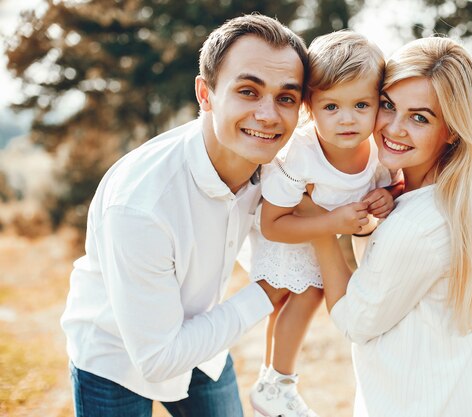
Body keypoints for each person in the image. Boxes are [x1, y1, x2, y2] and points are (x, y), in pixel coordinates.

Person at [60, 14, 308, 417]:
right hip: (117, 358)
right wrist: (265, 293)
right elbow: (156, 357)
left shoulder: (279, 168)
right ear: (205, 94)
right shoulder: (141, 204)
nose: (268, 115)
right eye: (248, 91)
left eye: (286, 98)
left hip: (203, 343)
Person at [310, 36, 472, 417]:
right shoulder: (464, 199)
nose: (394, 128)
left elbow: (354, 320)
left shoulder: (421, 224)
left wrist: (319, 225)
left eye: (420, 117)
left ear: (453, 129)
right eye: (388, 106)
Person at [247, 31, 400, 417]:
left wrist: (389, 197)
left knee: (286, 303)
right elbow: (272, 225)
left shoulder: (379, 153)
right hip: (288, 232)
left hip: (319, 233)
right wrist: (331, 220)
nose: (347, 119)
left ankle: (271, 382)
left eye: (361, 105)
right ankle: (279, 382)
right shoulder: (298, 156)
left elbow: (381, 196)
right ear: (309, 108)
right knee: (301, 297)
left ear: (379, 104)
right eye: (331, 107)